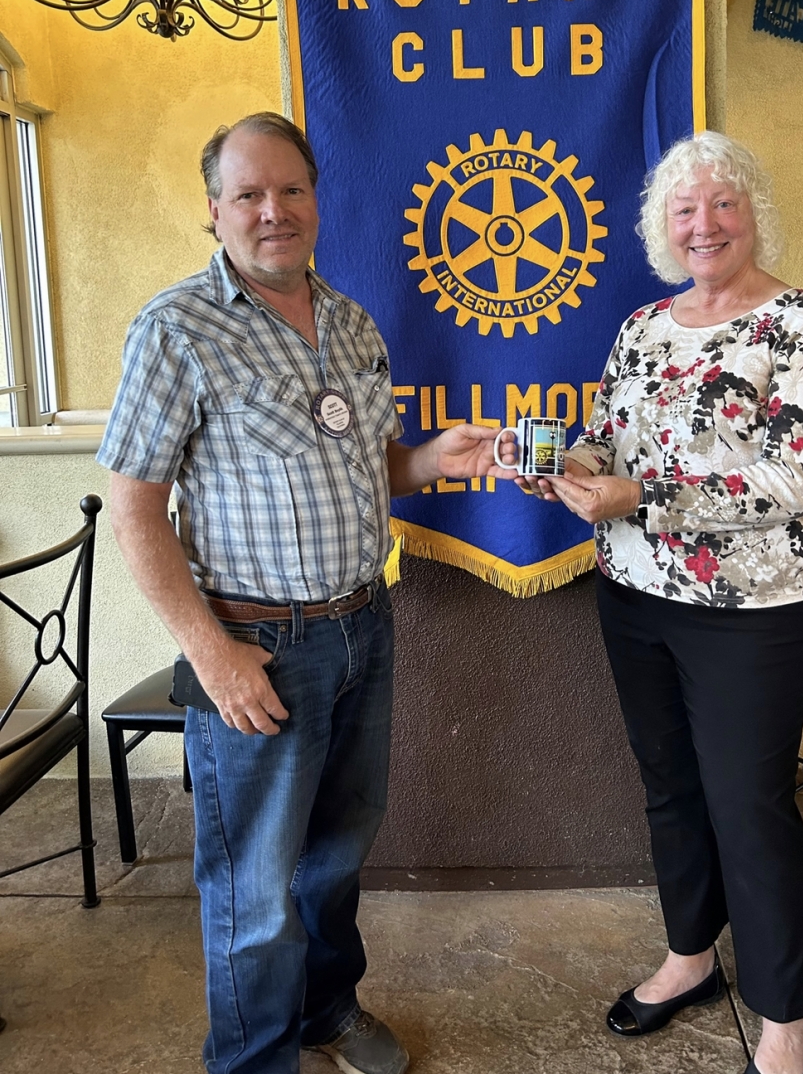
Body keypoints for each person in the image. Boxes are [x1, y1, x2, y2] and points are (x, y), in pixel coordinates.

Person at [98, 112, 515, 1074]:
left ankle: (327, 1009)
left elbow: (370, 469)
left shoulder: (352, 321)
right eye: (248, 194)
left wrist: (431, 460)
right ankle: (255, 1059)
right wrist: (212, 655)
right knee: (253, 883)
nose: (273, 210)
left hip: (364, 625)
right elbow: (134, 510)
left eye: (290, 189)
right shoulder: (177, 330)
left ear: (317, 199)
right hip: (254, 643)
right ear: (214, 212)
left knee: (336, 851)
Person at [503, 131, 803, 1074]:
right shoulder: (643, 326)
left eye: (722, 205)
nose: (704, 224)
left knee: (749, 802)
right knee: (672, 790)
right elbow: (612, 442)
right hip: (636, 596)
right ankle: (691, 957)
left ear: (752, 215)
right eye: (685, 210)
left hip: (758, 611)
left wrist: (642, 500)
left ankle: (784, 1008)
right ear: (666, 228)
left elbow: (793, 480)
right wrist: (567, 468)